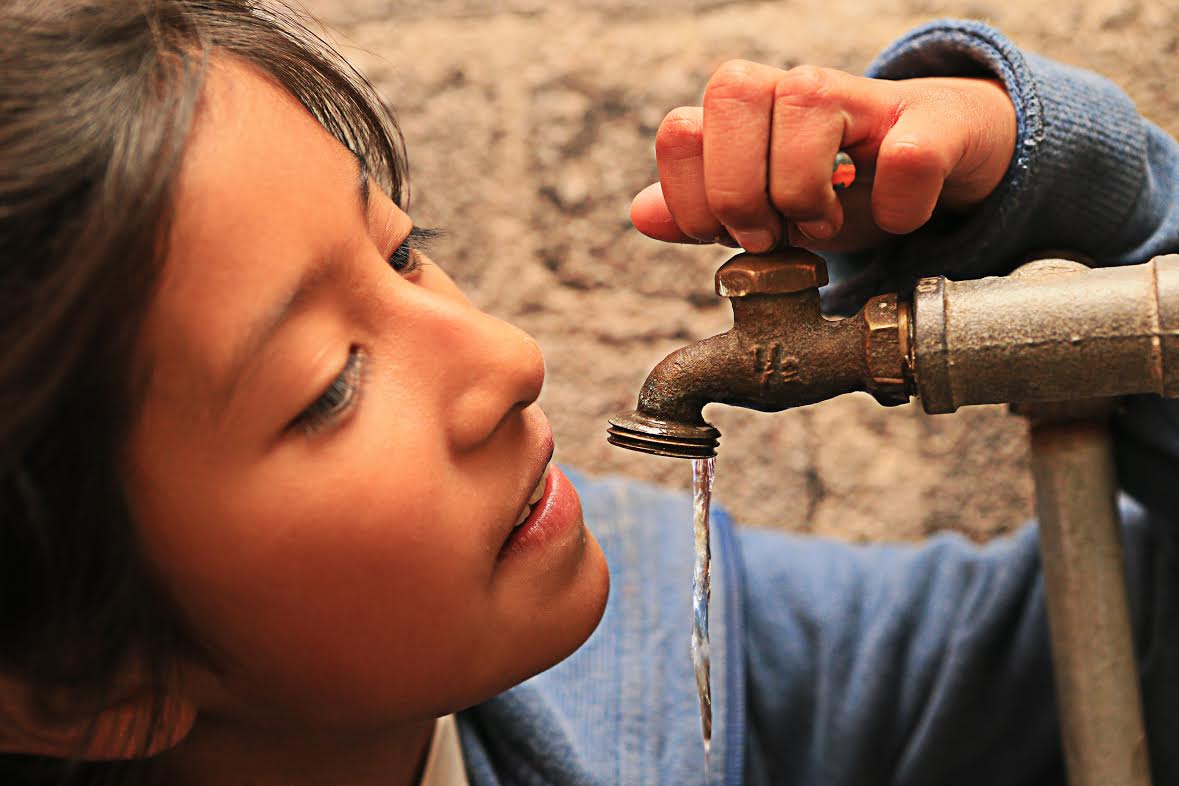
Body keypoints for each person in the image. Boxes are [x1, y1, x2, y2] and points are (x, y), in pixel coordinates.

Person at [0, 2, 1176, 785]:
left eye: (405, 252)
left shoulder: (680, 655)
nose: (507, 358)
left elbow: (1133, 644)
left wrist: (1068, 199)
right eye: (329, 388)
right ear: (73, 677)